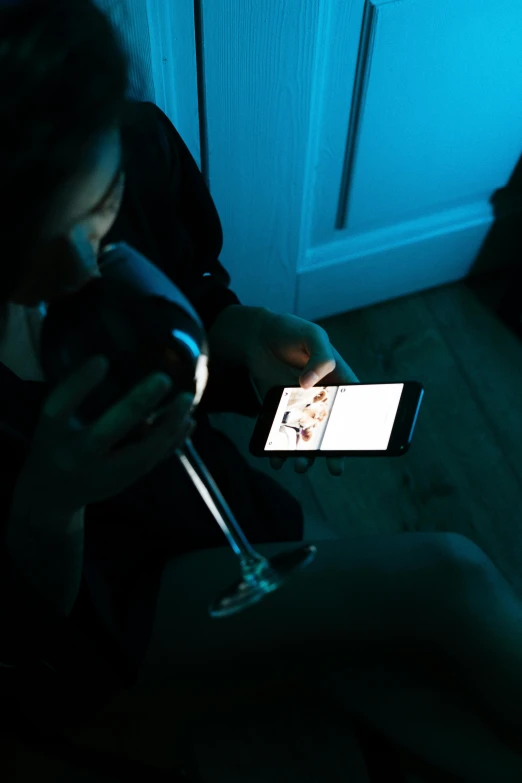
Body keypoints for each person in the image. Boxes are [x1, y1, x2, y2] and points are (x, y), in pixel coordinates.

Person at [1, 2, 522, 781]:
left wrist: (240, 332)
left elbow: (192, 298)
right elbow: (31, 629)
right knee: (446, 577)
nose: (82, 267)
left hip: (194, 497)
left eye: (101, 207)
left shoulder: (137, 149)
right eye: (29, 242)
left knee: (381, 667)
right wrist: (52, 504)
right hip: (98, 605)